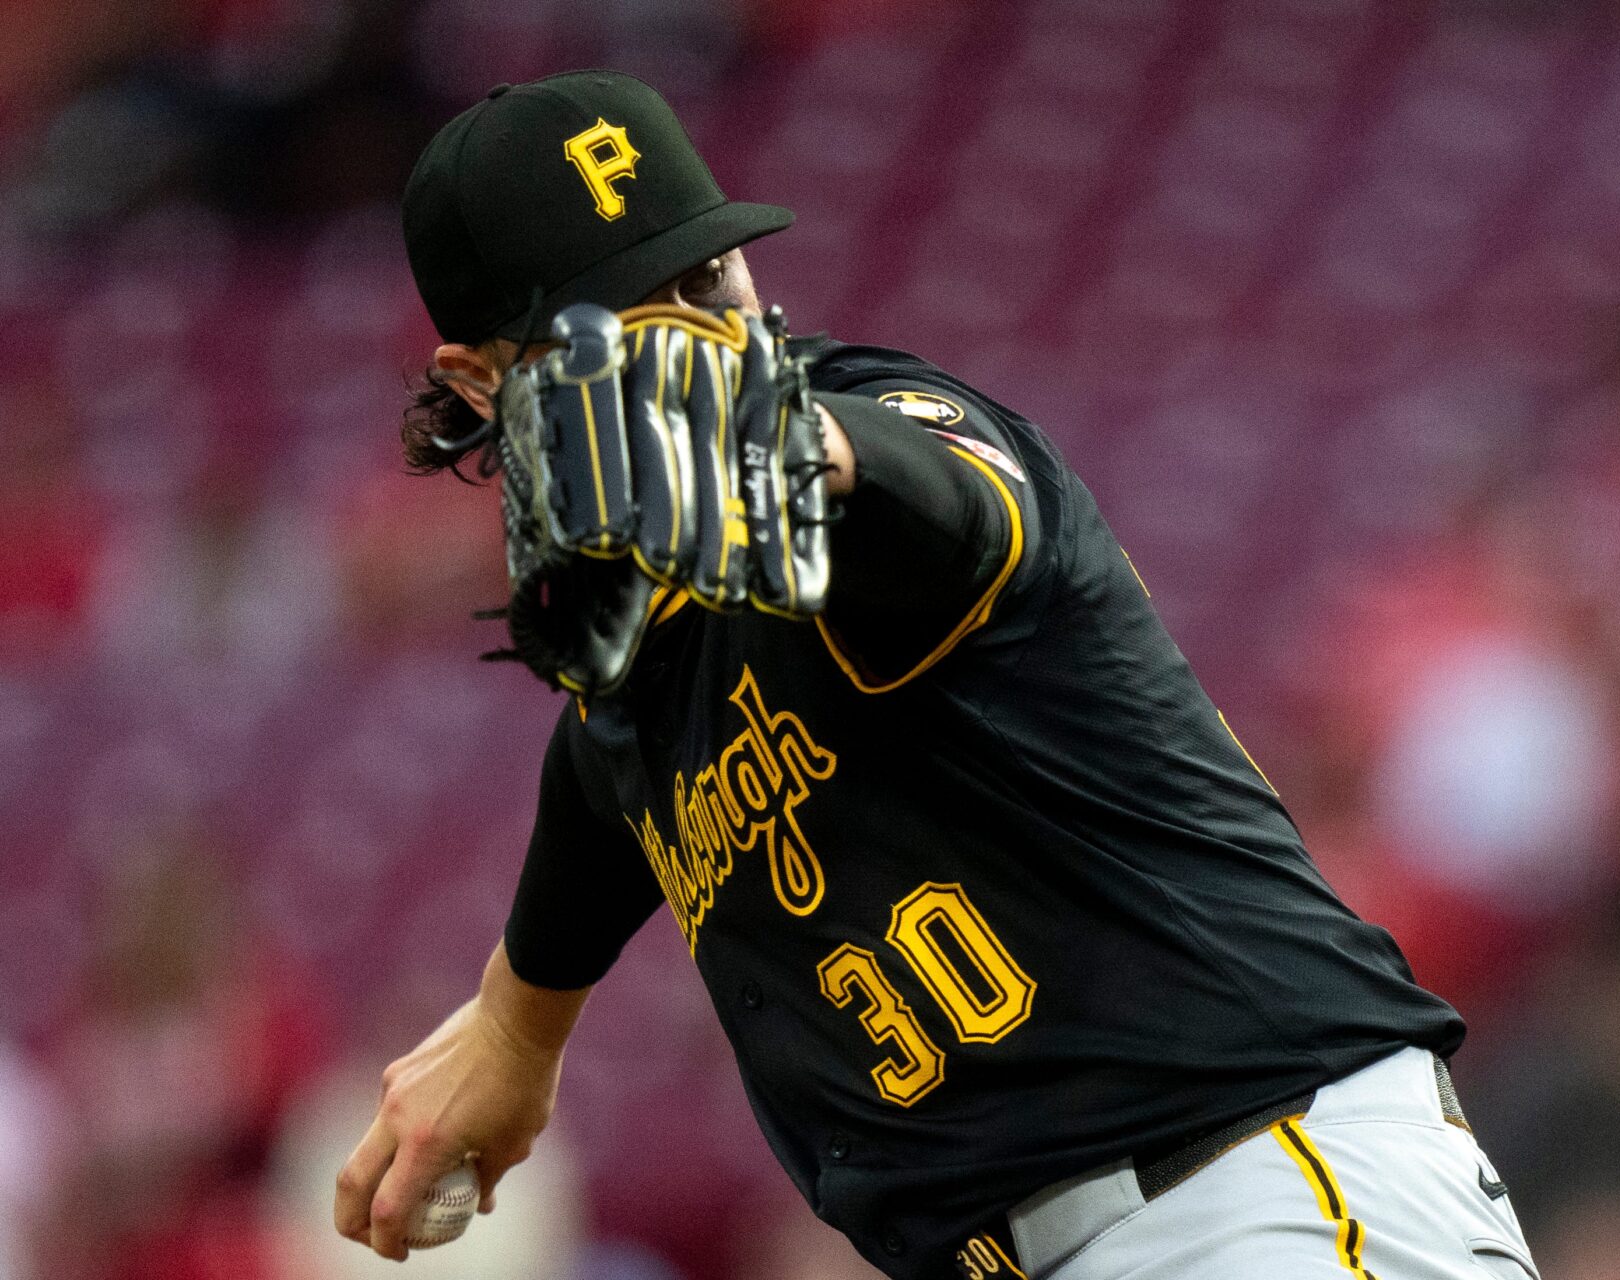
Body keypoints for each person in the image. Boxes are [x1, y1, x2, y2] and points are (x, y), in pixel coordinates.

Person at [335, 70, 1540, 1280]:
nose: (690, 334)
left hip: (1251, 1189)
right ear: (485, 378)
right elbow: (603, 773)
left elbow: (952, 505)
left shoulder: (881, 429)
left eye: (706, 278)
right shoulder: (638, 651)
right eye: (620, 319)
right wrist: (516, 1018)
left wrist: (803, 444)